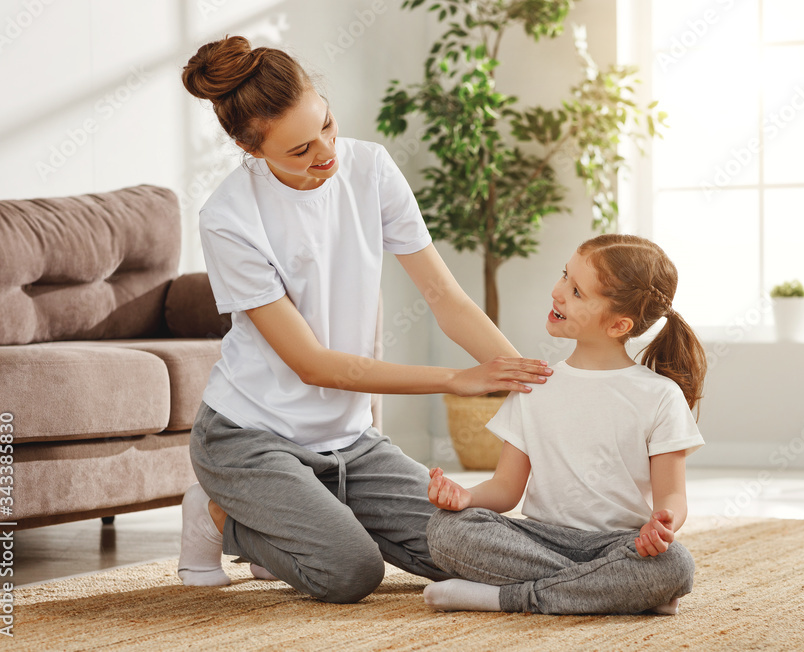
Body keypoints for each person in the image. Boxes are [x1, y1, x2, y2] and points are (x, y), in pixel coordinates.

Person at [176, 35, 553, 603]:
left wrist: (522, 378)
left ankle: (296, 520)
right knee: (349, 570)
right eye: (299, 151)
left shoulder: (370, 168)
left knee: (474, 551)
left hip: (349, 441)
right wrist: (453, 379)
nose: (326, 153)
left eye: (326, 126)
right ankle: (217, 513)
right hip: (249, 435)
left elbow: (443, 295)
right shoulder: (229, 218)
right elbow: (313, 365)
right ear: (250, 149)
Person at [423, 233, 707, 615]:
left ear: (618, 325)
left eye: (576, 291)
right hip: (539, 538)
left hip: (620, 544)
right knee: (445, 530)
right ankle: (614, 590)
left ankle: (502, 598)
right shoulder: (534, 386)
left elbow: (672, 496)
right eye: (564, 276)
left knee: (675, 566)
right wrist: (467, 497)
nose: (558, 292)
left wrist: (664, 522)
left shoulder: (660, 396)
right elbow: (507, 489)